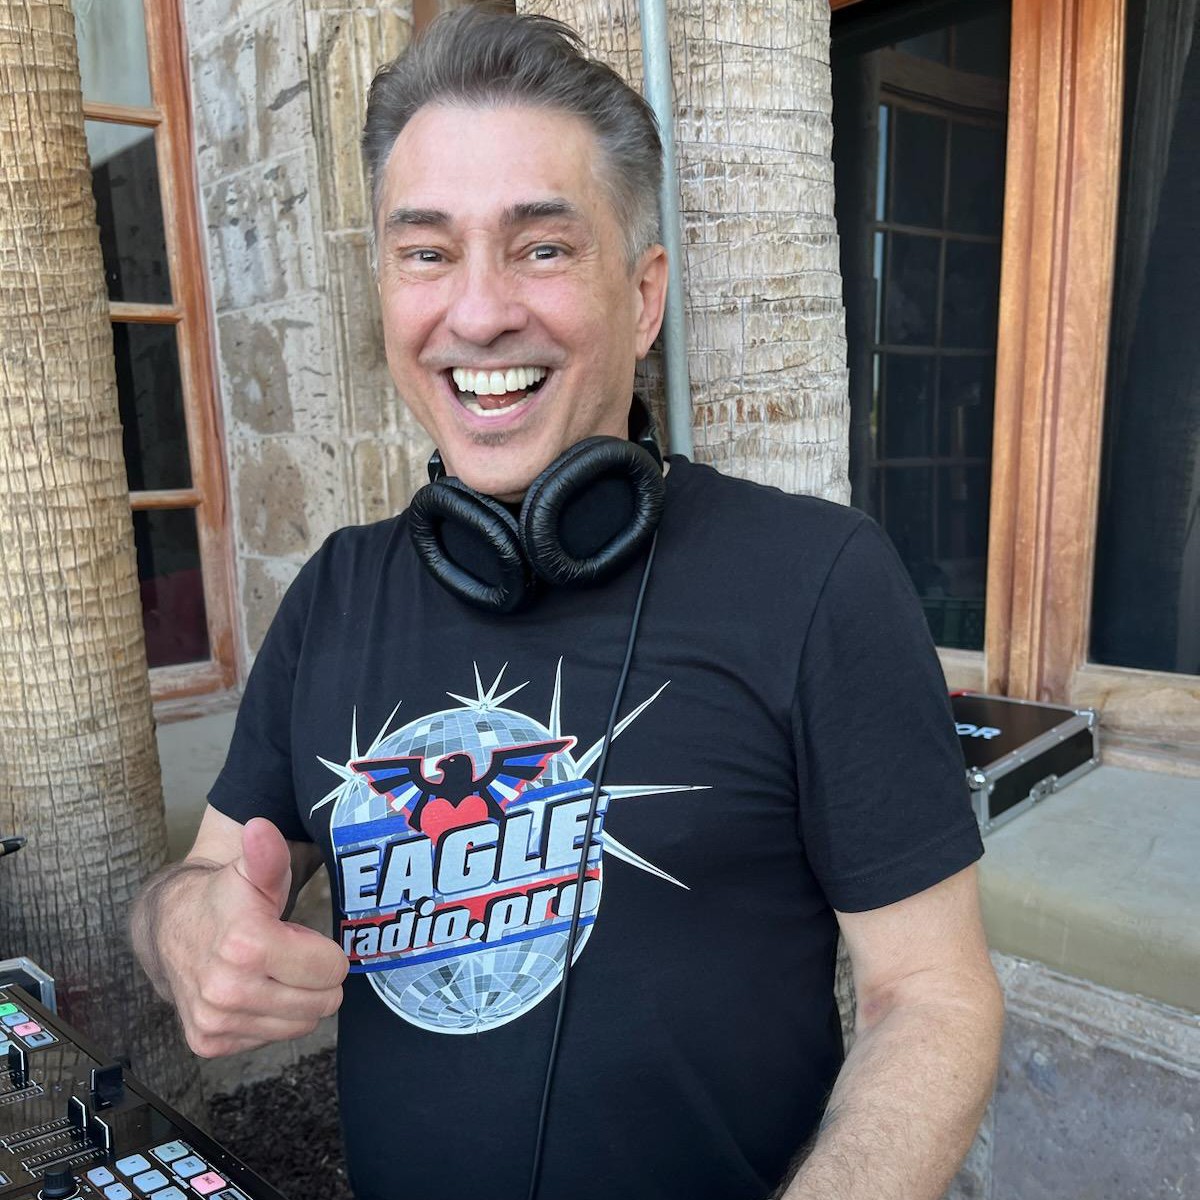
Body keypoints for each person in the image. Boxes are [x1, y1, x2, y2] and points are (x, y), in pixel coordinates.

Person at [132, 9, 1003, 1200]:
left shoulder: (819, 582)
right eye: (426, 253)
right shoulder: (334, 592)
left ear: (643, 297)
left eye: (541, 247)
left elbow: (934, 997)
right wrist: (185, 930)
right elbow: (203, 880)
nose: (478, 312)